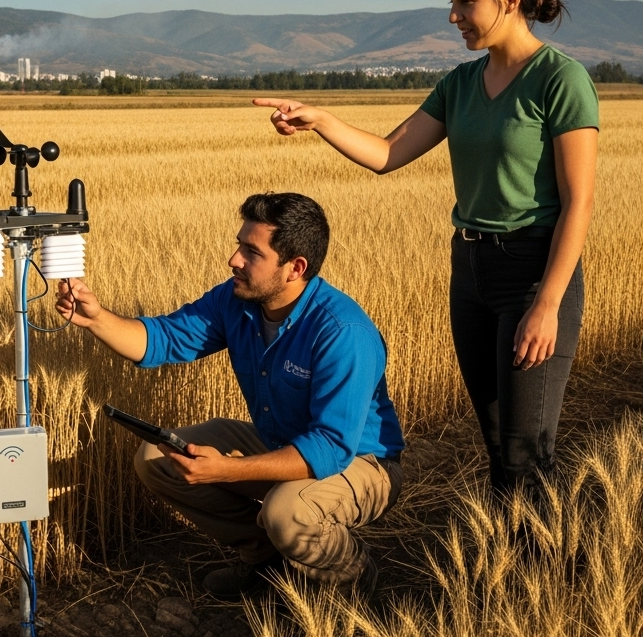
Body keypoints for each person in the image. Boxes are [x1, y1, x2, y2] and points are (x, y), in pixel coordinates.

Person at [255, 0, 598, 495]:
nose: (453, 16)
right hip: (471, 271)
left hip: (533, 273)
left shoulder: (559, 79)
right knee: (497, 442)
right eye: (452, 2)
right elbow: (388, 154)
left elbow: (578, 201)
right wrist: (322, 121)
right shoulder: (460, 84)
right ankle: (507, 546)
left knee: (525, 452)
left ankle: (545, 550)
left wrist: (548, 303)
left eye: (465, 2)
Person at [54, 192, 405, 599]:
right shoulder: (236, 301)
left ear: (295, 268)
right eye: (239, 245)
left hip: (362, 463)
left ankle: (354, 580)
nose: (233, 259)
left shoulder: (343, 332)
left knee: (287, 512)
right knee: (157, 459)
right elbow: (163, 339)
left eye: (251, 252)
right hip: (283, 443)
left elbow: (329, 449)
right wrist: (96, 319)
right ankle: (266, 559)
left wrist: (226, 470)